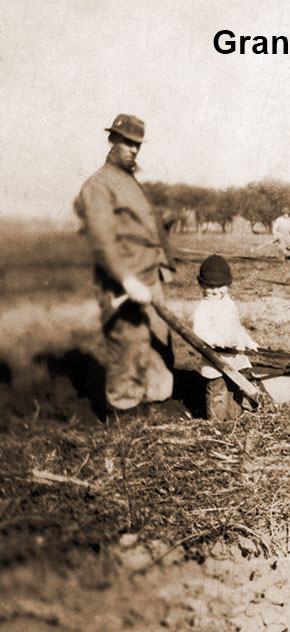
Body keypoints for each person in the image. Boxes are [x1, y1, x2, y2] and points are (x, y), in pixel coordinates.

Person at [74, 113, 175, 415]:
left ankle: (157, 404)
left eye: (138, 145)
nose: (133, 149)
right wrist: (126, 278)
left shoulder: (129, 181)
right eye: (127, 142)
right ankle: (124, 416)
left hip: (149, 277)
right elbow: (102, 239)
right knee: (129, 345)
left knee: (158, 343)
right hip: (123, 282)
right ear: (112, 140)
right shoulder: (99, 185)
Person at [191, 255, 260, 420]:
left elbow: (236, 327)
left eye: (220, 286)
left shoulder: (228, 303)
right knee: (218, 391)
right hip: (216, 358)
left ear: (229, 284)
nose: (215, 290)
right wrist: (219, 341)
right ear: (201, 284)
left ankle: (235, 421)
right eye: (210, 286)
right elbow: (199, 331)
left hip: (234, 357)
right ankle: (216, 425)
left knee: (236, 388)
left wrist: (248, 342)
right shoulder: (204, 308)